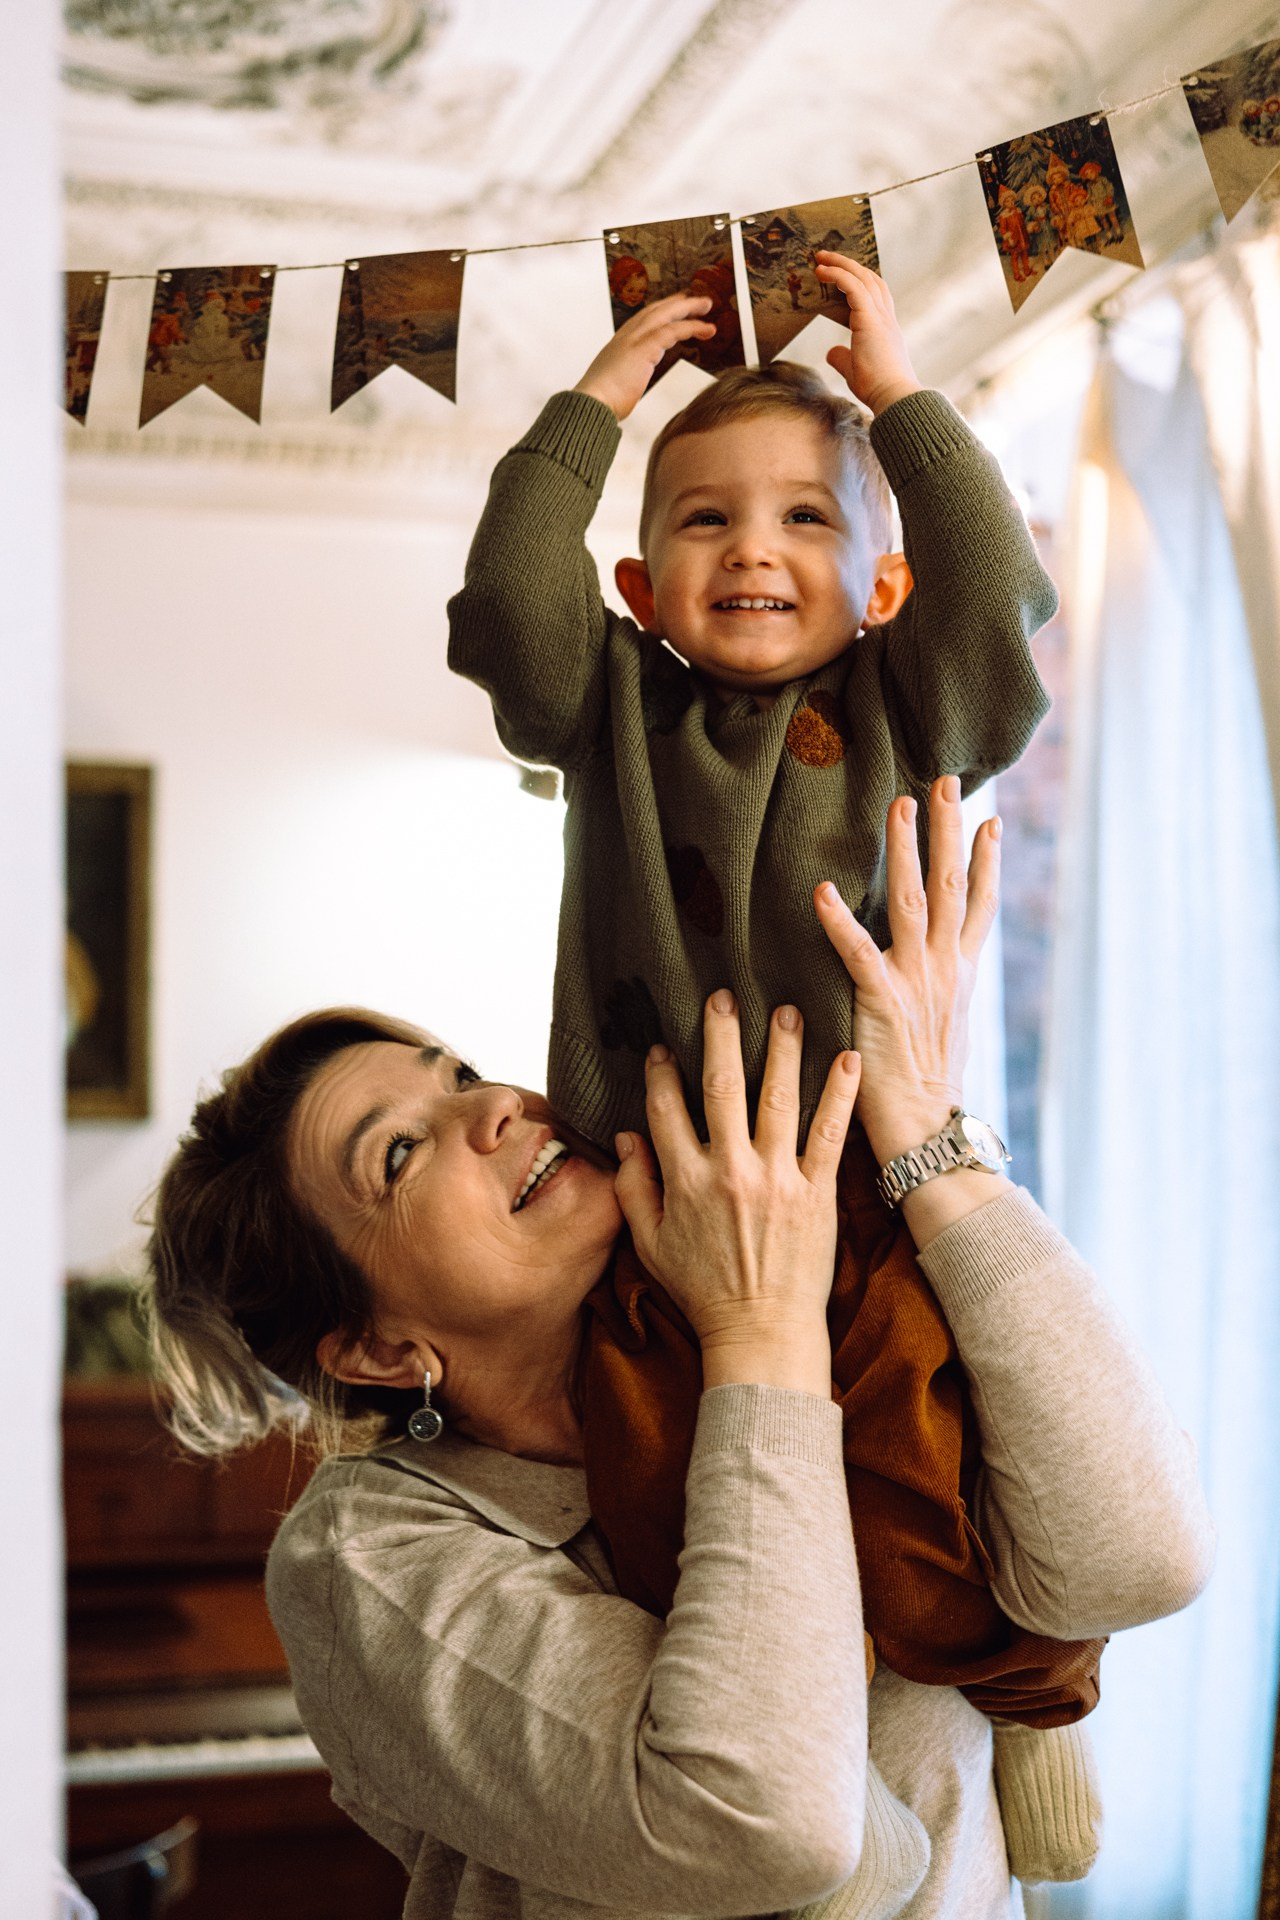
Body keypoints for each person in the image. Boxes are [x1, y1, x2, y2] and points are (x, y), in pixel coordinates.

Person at [145, 783, 1214, 1919]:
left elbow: (1141, 1565)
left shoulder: (752, 1302)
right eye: (401, 1152)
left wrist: (925, 1134)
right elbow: (764, 1822)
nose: (494, 1105)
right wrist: (761, 1328)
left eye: (456, 1073)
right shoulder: (365, 1558)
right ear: (373, 1349)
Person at [446, 260, 1094, 1865]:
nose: (751, 548)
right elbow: (509, 610)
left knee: (933, 1472)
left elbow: (999, 601)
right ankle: (799, 1755)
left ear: (881, 586)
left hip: (876, 1184)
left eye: (806, 519)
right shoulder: (606, 705)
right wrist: (595, 407)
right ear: (638, 581)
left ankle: (1032, 1701)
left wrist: (904, 404)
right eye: (705, 520)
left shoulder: (907, 700)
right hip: (662, 1205)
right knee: (670, 1501)